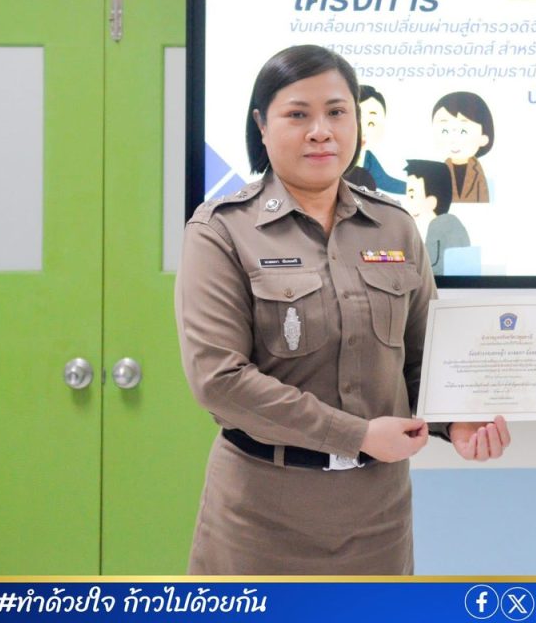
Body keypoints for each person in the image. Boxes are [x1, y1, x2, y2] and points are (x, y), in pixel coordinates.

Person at [175, 44, 509, 575]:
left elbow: (423, 361)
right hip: (259, 517)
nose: (321, 131)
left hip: (377, 517)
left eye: (336, 112)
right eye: (297, 114)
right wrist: (355, 435)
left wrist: (456, 422)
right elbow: (220, 381)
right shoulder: (221, 231)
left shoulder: (395, 226)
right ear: (262, 125)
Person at [403, 158, 471, 275]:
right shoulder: (422, 229)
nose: (405, 202)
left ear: (431, 202)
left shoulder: (444, 224)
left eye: (411, 196)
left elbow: (429, 267)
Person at [431, 91, 494, 203]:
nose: (453, 140)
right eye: (445, 131)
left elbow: (483, 201)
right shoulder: (440, 172)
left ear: (483, 138)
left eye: (463, 131)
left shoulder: (480, 175)